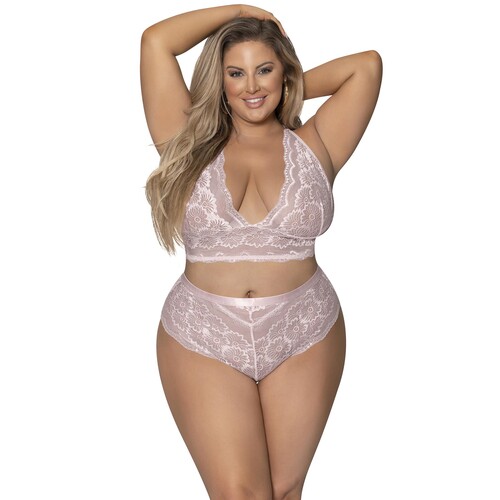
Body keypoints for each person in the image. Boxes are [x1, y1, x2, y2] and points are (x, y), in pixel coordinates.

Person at [140, 4, 382, 498]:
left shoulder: (316, 142)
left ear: (283, 72)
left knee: (284, 490)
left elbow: (367, 66)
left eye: (264, 70)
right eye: (236, 74)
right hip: (203, 332)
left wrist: (288, 89)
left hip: (305, 327)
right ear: (220, 81)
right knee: (240, 494)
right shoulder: (185, 140)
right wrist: (241, 10)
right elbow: (155, 42)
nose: (251, 86)